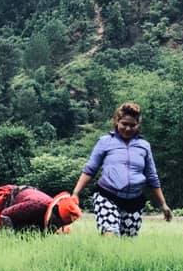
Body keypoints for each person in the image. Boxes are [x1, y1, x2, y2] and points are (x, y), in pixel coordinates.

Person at [72, 101, 173, 237]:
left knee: (127, 241)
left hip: (134, 200)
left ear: (138, 125)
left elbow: (152, 177)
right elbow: (90, 169)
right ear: (117, 121)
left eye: (133, 125)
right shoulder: (105, 141)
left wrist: (163, 204)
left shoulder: (144, 146)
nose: (128, 128)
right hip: (107, 195)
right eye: (124, 124)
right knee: (110, 233)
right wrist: (76, 193)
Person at [0, 185, 82, 233]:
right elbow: (5, 215)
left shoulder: (65, 214)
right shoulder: (34, 206)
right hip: (10, 199)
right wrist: (8, 237)